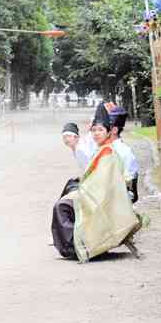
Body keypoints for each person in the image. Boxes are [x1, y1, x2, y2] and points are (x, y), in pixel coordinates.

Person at [51, 102, 140, 262]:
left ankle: (79, 245)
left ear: (110, 132)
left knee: (62, 206)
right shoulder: (103, 149)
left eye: (100, 130)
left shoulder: (108, 152)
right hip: (99, 191)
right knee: (69, 191)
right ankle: (77, 243)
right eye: (94, 130)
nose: (96, 134)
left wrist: (84, 189)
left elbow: (105, 181)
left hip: (102, 196)